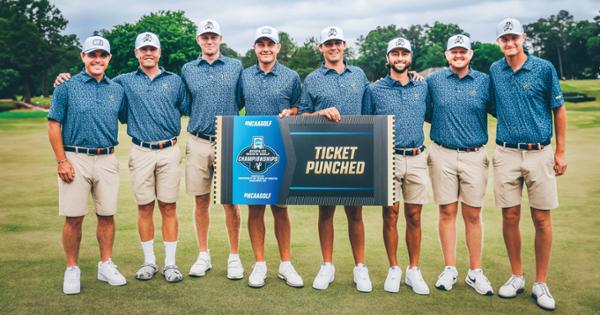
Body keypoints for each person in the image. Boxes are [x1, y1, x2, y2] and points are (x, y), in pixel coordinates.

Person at [53, 32, 189, 283]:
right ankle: (149, 262)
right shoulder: (122, 82)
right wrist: (63, 79)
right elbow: (96, 86)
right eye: (143, 49)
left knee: (169, 206)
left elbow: (189, 107)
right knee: (145, 206)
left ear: (159, 52)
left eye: (152, 49)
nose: (148, 53)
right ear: (136, 53)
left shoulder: (175, 81)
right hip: (140, 151)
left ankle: (170, 264)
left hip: (169, 150)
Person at [491, 18, 567, 311]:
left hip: (540, 153)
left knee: (541, 219)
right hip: (506, 153)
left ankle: (540, 282)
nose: (509, 43)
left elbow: (558, 110)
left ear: (523, 38)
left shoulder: (544, 68)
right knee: (509, 216)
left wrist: (560, 152)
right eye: (504, 39)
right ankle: (517, 276)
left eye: (514, 38)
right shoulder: (496, 71)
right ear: (499, 42)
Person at [48, 36, 127, 294]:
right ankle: (72, 268)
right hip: (75, 157)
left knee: (107, 215)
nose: (97, 59)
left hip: (107, 158)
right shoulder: (66, 86)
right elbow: (53, 125)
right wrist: (62, 160)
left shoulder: (117, 89)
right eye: (92, 54)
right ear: (83, 57)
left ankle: (105, 264)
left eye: (102, 55)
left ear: (108, 59)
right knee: (74, 217)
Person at [297, 26, 372, 293]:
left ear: (344, 45)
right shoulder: (313, 79)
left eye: (337, 42)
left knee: (355, 212)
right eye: (328, 44)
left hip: (356, 151)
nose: (333, 47)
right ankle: (327, 265)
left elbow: (370, 114)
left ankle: (360, 267)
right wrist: (320, 113)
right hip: (323, 153)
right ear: (321, 48)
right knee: (326, 211)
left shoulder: (359, 75)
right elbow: (301, 117)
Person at [426, 34, 494, 295]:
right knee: (446, 212)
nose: (458, 54)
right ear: (446, 55)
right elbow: (428, 111)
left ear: (470, 54)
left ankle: (475, 272)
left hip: (475, 155)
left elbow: (497, 109)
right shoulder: (433, 80)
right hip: (442, 153)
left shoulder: (484, 81)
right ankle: (450, 268)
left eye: (462, 51)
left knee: (473, 214)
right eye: (453, 51)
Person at [363, 37, 431, 295]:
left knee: (414, 215)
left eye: (404, 54)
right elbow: (367, 124)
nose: (399, 58)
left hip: (416, 157)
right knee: (389, 214)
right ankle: (394, 268)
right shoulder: (375, 89)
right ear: (388, 58)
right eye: (395, 54)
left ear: (410, 58)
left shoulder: (422, 87)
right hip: (386, 156)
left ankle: (414, 270)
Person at [239, 26, 304, 288]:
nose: (266, 48)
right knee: (254, 208)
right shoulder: (243, 76)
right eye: (261, 44)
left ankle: (285, 264)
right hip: (253, 148)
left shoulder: (291, 77)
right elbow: (234, 106)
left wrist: (292, 111)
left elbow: (301, 106)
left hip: (281, 147)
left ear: (278, 47)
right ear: (255, 47)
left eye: (271, 44)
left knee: (280, 208)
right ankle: (260, 264)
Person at [181, 19, 245, 280]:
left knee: (230, 201)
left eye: (213, 37)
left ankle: (234, 256)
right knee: (200, 200)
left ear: (220, 39)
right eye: (205, 37)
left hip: (228, 138)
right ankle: (204, 254)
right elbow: (186, 104)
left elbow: (241, 100)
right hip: (197, 140)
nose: (209, 41)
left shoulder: (235, 66)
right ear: (198, 39)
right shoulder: (188, 69)